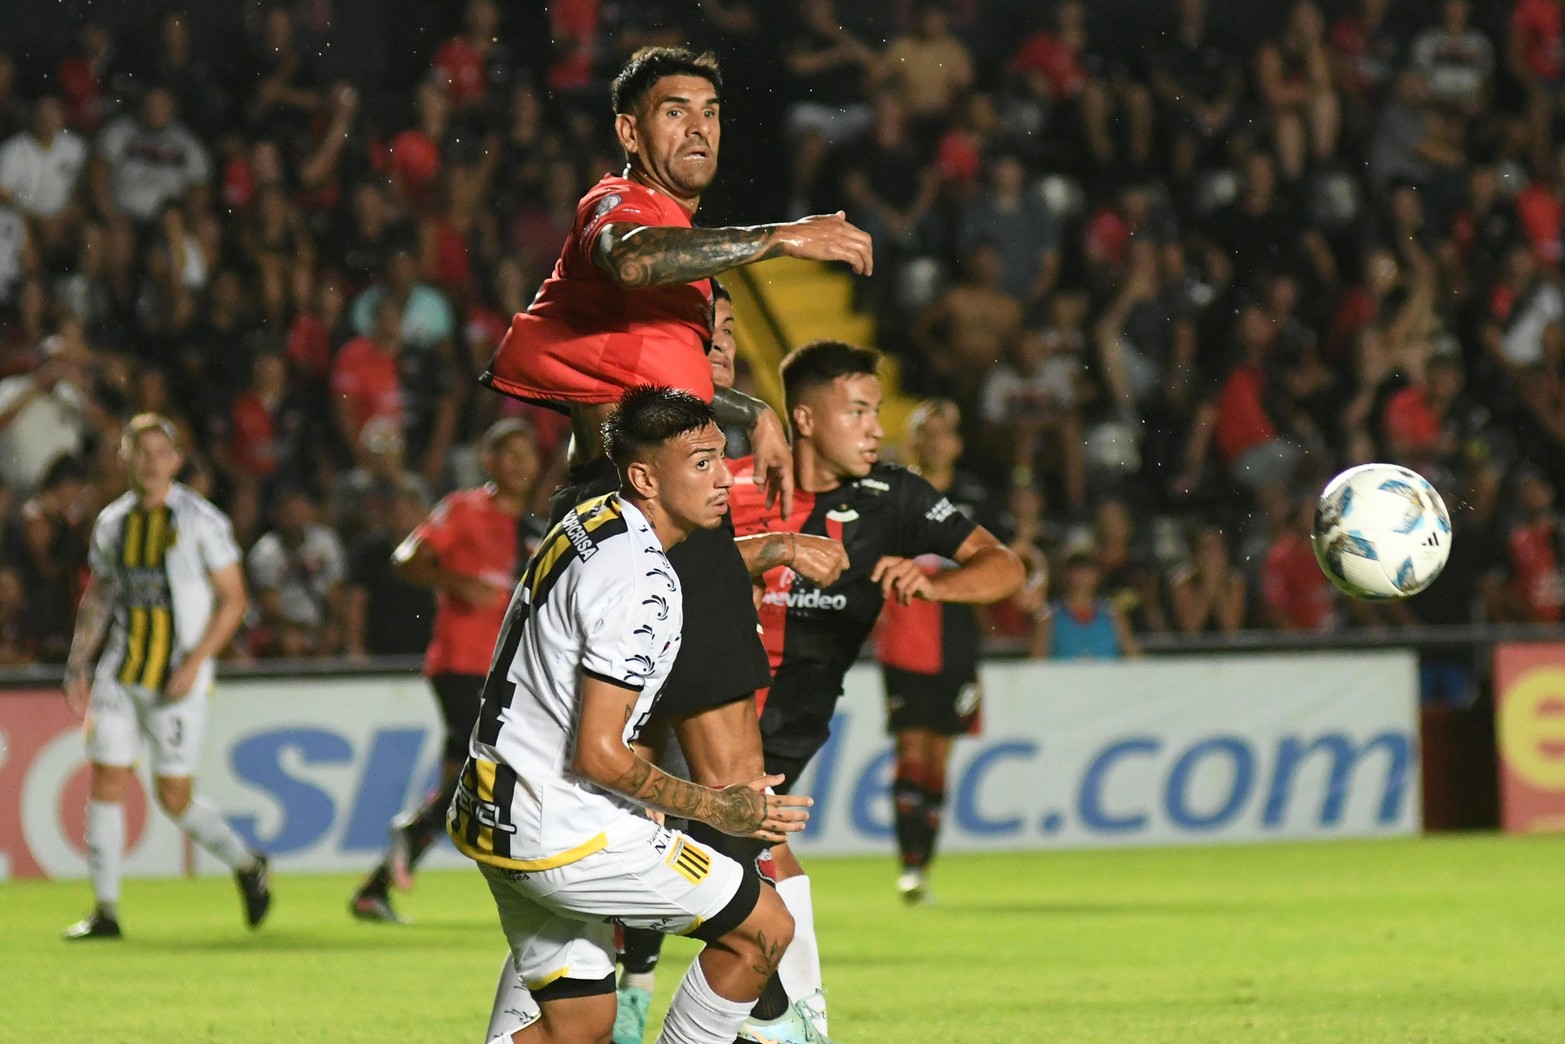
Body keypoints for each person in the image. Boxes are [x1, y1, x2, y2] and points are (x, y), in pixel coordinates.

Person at [478, 45, 870, 1042]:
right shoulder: (620, 208)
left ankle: (688, 1002)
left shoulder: (676, 270)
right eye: (672, 111)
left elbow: (649, 385)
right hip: (637, 525)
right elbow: (633, 261)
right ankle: (788, 1016)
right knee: (726, 783)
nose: (697, 127)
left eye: (710, 112)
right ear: (628, 130)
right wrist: (786, 237)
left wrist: (748, 412)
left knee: (596, 805)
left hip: (647, 521)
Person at [454, 385, 813, 1044]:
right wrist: (716, 807)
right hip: (559, 829)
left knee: (580, 1023)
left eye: (720, 458)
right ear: (646, 475)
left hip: (491, 809)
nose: (721, 479)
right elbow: (598, 754)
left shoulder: (591, 521)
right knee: (764, 929)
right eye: (700, 462)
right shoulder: (641, 579)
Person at [727, 341, 1025, 1036]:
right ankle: (783, 1015)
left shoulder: (895, 498)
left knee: (714, 853)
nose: (872, 426)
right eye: (856, 410)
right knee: (725, 852)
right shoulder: (731, 486)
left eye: (875, 410)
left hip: (788, 715)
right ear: (803, 418)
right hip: (704, 706)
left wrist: (937, 581)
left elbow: (1001, 565)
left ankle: (779, 1013)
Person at [60, 413, 269, 940]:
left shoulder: (201, 521)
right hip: (122, 671)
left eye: (160, 453)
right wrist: (79, 661)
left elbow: (234, 598)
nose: (150, 463)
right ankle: (105, 910)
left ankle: (246, 864)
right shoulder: (112, 522)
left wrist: (195, 662)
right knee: (106, 776)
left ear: (176, 461)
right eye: (140, 452)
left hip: (178, 677)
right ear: (123, 459)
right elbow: (101, 595)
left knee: (172, 797)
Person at [351, 418, 546, 923]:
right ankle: (426, 835)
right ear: (490, 462)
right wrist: (456, 581)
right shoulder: (463, 509)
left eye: (529, 454)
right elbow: (406, 559)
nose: (522, 464)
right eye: (511, 453)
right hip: (461, 663)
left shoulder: (535, 526)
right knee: (495, 768)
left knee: (464, 775)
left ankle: (376, 888)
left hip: (509, 670)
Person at [872, 400, 1003, 904]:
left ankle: (923, 863)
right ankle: (908, 865)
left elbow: (1002, 562)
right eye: (925, 431)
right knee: (910, 750)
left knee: (939, 756)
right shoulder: (893, 493)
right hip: (906, 635)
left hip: (957, 638)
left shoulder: (974, 499)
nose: (934, 440)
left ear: (957, 443)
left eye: (944, 432)